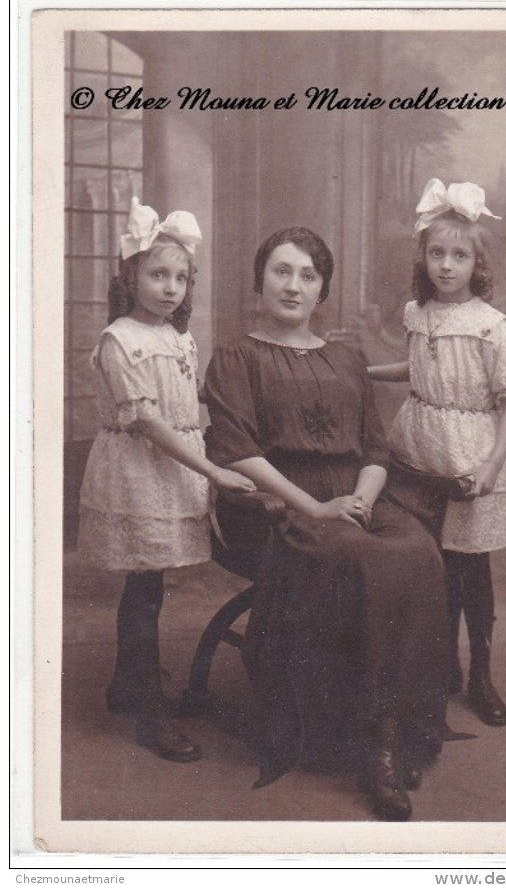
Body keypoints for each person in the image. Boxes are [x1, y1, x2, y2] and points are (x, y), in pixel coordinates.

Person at [203, 226, 450, 822]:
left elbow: (373, 446)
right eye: (282, 271)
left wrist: (363, 500)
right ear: (260, 279)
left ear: (323, 290)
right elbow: (236, 452)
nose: (294, 285)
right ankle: (374, 748)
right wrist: (313, 507)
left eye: (308, 275)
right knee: (368, 560)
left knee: (417, 551)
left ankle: (393, 731)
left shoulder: (347, 357)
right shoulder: (236, 357)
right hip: (276, 505)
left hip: (355, 499)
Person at [78, 198, 255, 763]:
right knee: (143, 586)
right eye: (157, 274)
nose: (170, 287)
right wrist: (212, 471)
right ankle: (148, 712)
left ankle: (128, 685)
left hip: (172, 465)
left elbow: (185, 400)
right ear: (130, 277)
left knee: (150, 586)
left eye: (180, 277)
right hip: (140, 469)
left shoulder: (180, 338)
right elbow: (149, 420)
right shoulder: (120, 340)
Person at [369, 178, 506, 727]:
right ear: (424, 257)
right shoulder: (420, 313)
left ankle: (480, 673)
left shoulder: (490, 325)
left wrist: (489, 466)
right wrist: (360, 372)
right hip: (420, 450)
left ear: (476, 263)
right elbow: (415, 371)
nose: (446, 265)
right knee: (431, 565)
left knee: (470, 569)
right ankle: (443, 665)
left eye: (459, 256)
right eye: (437, 253)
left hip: (469, 457)